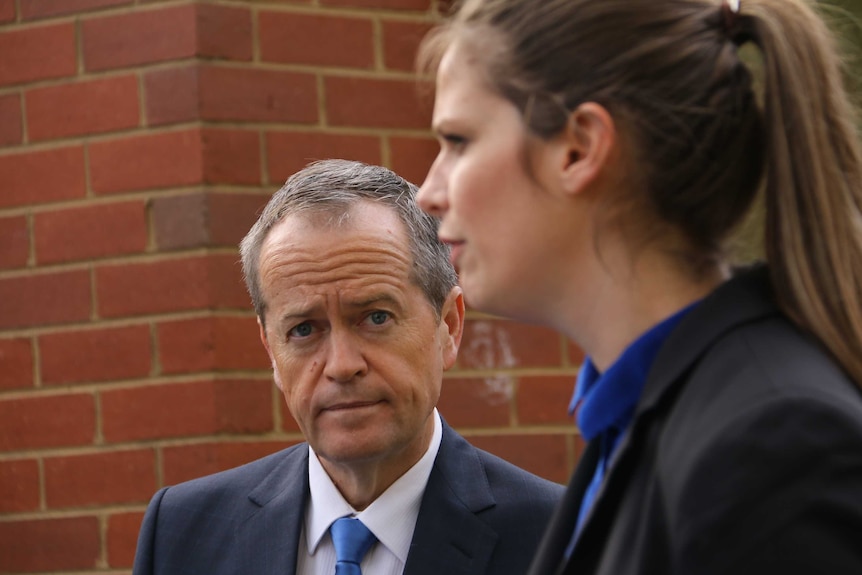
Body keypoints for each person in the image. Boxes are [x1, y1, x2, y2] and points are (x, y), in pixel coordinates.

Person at [416, 0, 862, 573]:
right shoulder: (647, 417)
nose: (429, 190)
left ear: (579, 148)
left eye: (458, 140)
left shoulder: (774, 445)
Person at [132, 159, 563, 575]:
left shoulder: (562, 539)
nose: (341, 366)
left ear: (448, 326)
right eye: (304, 330)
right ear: (270, 350)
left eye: (376, 317)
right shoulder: (182, 534)